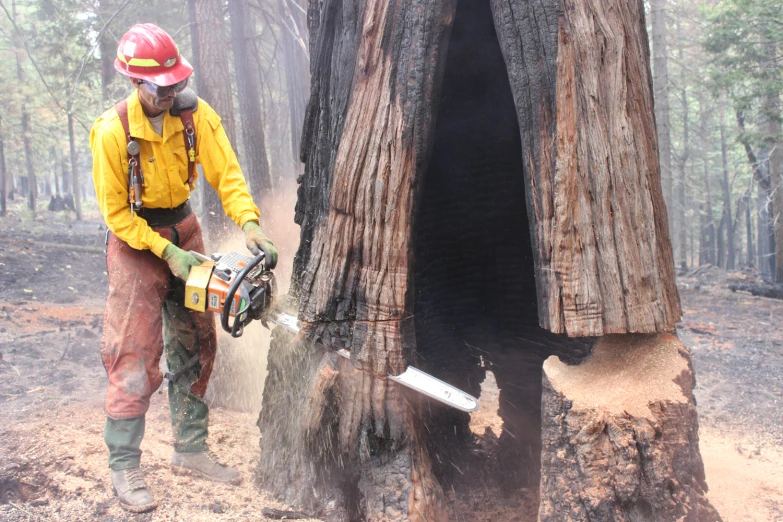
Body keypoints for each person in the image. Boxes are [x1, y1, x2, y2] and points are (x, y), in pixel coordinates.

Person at [90, 23, 277, 513]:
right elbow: (116, 215)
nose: (171, 92)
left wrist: (251, 224)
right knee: (134, 354)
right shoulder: (112, 133)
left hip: (185, 231)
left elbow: (226, 173)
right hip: (136, 246)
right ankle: (124, 466)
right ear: (136, 83)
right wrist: (165, 254)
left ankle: (190, 448)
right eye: (161, 87)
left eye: (175, 82)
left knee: (197, 338)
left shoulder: (194, 116)